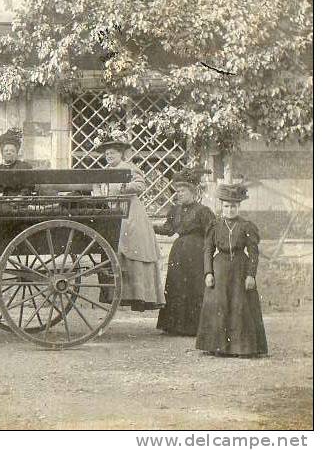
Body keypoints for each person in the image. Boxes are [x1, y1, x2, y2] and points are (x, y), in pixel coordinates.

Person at [93, 132, 165, 311]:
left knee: (133, 248)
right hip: (114, 212)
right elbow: (100, 190)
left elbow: (140, 185)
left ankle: (140, 296)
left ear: (121, 154)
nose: (109, 156)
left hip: (131, 213)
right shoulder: (105, 172)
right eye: (107, 154)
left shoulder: (129, 167)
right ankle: (121, 294)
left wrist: (123, 188)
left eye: (113, 153)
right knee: (116, 248)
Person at [196, 183, 267, 357]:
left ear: (239, 207)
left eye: (233, 206)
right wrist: (208, 272)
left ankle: (242, 347)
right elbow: (208, 250)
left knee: (239, 306)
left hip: (240, 270)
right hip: (219, 269)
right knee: (219, 305)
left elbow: (253, 253)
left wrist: (251, 275)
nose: (229, 210)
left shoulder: (246, 226)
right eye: (226, 206)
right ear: (222, 206)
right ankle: (217, 346)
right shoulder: (215, 225)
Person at [154, 168, 215, 336]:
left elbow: (211, 232)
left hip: (197, 252)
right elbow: (168, 229)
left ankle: (195, 327)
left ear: (192, 192)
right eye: (177, 191)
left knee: (195, 287)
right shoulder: (175, 210)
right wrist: (150, 227)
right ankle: (174, 326)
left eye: (182, 191)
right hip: (179, 253)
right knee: (176, 285)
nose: (179, 194)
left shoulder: (203, 211)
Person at [0, 128, 33, 195]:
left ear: (16, 153)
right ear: (2, 153)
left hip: (20, 201)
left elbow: (28, 186)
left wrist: (20, 197)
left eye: (12, 151)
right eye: (6, 151)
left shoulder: (24, 166)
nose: (9, 153)